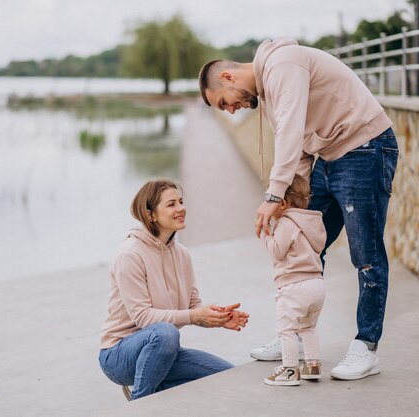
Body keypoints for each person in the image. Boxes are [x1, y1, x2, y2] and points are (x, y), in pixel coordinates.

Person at [198, 37, 399, 380]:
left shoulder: (283, 63)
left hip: (365, 149)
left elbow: (290, 132)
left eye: (224, 103)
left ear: (228, 78)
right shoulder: (271, 94)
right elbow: (302, 149)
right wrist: (292, 202)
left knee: (366, 256)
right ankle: (296, 335)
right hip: (330, 157)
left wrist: (274, 195)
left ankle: (367, 347)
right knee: (301, 246)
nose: (231, 111)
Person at [98, 179, 250, 400]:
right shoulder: (130, 255)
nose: (181, 208)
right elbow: (143, 318)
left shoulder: (182, 254)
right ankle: (140, 405)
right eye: (171, 204)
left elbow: (192, 306)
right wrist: (192, 315)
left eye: (180, 201)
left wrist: (218, 317)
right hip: (119, 355)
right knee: (166, 333)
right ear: (150, 215)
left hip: (163, 352)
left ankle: (156, 388)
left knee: (227, 376)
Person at [261, 174, 326, 386]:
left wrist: (264, 232)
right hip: (316, 284)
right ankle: (312, 365)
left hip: (294, 286)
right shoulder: (312, 221)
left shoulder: (287, 222)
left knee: (286, 330)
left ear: (282, 203)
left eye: (270, 198)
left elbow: (277, 251)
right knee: (308, 327)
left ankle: (289, 370)